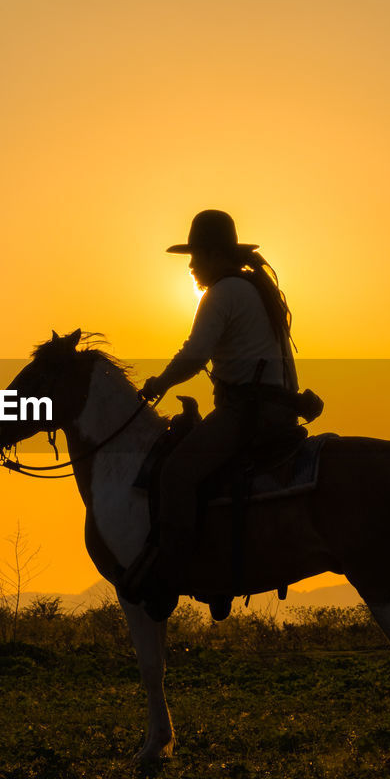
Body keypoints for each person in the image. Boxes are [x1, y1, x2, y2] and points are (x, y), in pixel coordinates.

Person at [125, 209, 300, 611]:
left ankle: (175, 573)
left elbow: (194, 355)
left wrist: (158, 384)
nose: (190, 265)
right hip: (274, 407)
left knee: (176, 475)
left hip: (248, 413)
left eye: (197, 255)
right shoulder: (255, 289)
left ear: (217, 255)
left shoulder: (221, 293)